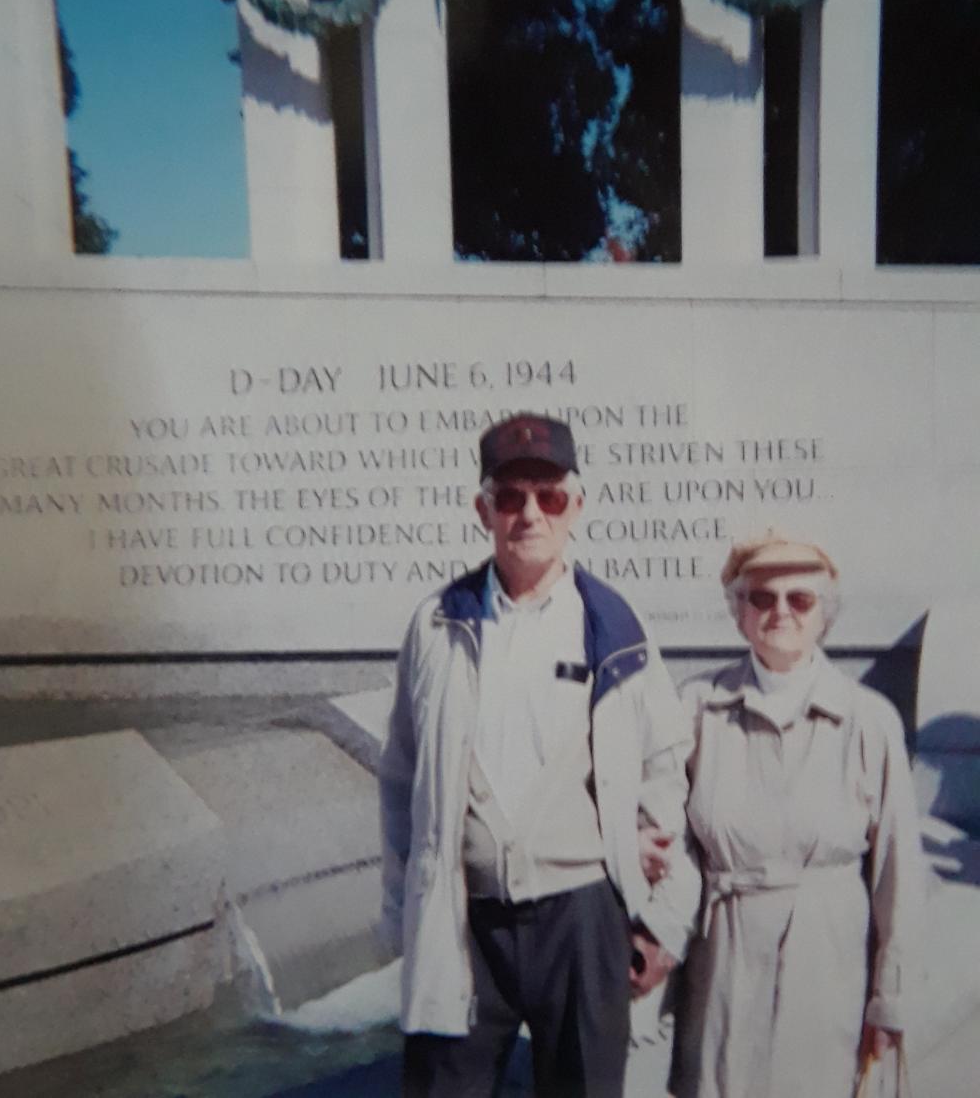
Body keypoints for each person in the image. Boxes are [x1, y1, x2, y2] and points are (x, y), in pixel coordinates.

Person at [378, 413, 699, 1098]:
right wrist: (401, 908)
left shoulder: (615, 624)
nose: (530, 513)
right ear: (482, 509)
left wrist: (661, 916)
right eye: (510, 496)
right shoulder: (436, 624)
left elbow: (664, 771)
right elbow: (400, 776)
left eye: (548, 496)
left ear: (576, 506)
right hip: (463, 914)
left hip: (580, 918)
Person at [667, 533, 924, 1098]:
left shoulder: (868, 719)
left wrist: (891, 995)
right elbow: (671, 843)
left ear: (824, 615)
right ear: (739, 614)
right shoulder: (696, 708)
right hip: (726, 958)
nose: (780, 611)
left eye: (799, 599)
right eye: (761, 598)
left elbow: (897, 874)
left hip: (825, 957)